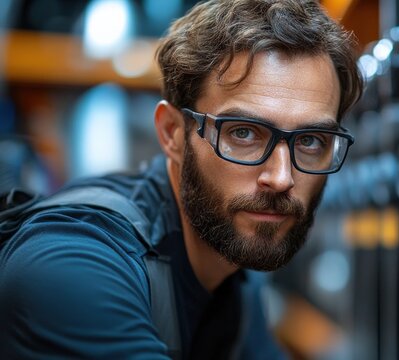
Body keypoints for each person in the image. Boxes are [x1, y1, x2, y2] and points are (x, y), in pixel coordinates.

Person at [0, 0, 363, 358]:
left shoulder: (234, 270)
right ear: (173, 133)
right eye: (244, 133)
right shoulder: (73, 264)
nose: (281, 178)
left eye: (311, 141)